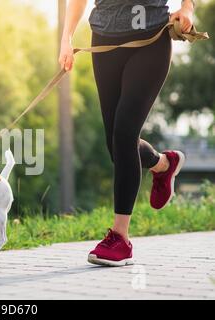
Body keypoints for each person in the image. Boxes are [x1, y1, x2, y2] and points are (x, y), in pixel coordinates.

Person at [59, 0, 194, 266]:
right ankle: (163, 164)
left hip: (150, 41)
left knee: (124, 135)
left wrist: (188, 8)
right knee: (116, 146)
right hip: (104, 42)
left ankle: (120, 238)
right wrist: (67, 38)